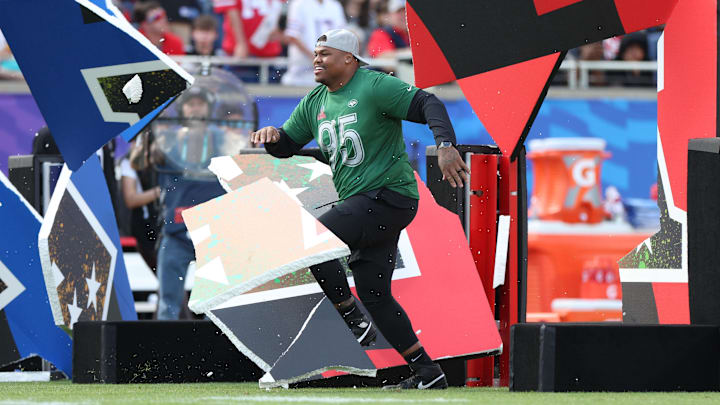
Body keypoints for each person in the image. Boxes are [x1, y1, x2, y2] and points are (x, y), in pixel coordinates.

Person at [252, 29, 469, 390]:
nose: (316, 59)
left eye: (325, 54)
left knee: (314, 241)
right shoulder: (315, 100)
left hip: (388, 195)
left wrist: (445, 145)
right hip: (366, 202)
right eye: (316, 53)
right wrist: (272, 138)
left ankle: (350, 315)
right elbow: (287, 145)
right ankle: (428, 373)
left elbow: (430, 102)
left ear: (349, 59)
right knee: (375, 294)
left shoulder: (374, 85)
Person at [153, 86, 226, 319]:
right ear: (183, 109)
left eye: (200, 104)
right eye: (190, 104)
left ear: (208, 108)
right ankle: (164, 353)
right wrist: (163, 141)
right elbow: (141, 161)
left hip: (212, 231)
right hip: (176, 229)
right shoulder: (170, 138)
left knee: (214, 307)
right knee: (167, 305)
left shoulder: (223, 137)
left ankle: (214, 352)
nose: (195, 108)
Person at [281, 0, 347, 86]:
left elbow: (342, 36)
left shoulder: (335, 5)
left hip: (329, 74)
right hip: (301, 75)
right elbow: (293, 36)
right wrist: (317, 58)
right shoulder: (299, 4)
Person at [212, 0, 283, 58]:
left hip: (268, 49)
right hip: (238, 49)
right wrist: (240, 43)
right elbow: (231, 11)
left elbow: (277, 6)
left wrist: (275, 28)